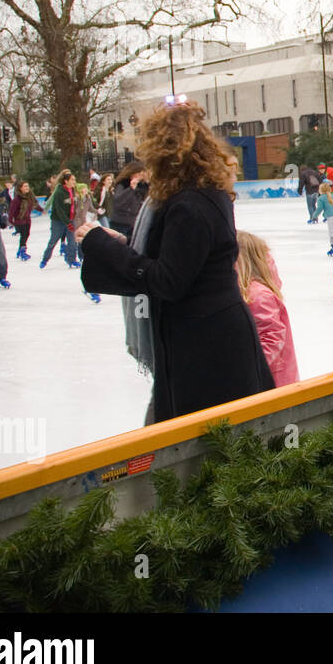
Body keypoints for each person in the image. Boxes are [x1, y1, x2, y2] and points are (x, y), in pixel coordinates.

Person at [77, 102, 274, 424]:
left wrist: (101, 245)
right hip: (210, 340)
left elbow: (168, 280)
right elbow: (180, 260)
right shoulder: (201, 195)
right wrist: (120, 246)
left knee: (204, 448)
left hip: (207, 349)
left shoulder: (191, 204)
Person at [236, 230, 299, 388]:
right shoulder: (250, 292)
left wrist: (248, 368)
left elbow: (272, 337)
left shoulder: (258, 296)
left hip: (273, 382)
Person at [39, 170, 79, 269]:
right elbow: (59, 210)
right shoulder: (59, 192)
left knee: (72, 240)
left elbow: (73, 205)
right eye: (72, 180)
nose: (74, 182)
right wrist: (67, 222)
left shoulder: (72, 190)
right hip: (58, 221)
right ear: (66, 181)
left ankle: (71, 259)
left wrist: (73, 218)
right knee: (53, 241)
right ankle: (45, 259)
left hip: (70, 219)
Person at [111, 162, 149, 241]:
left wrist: (148, 183)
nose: (139, 177)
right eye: (138, 174)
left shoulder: (142, 187)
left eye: (141, 174)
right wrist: (131, 188)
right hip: (121, 223)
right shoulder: (122, 185)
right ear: (132, 173)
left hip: (133, 223)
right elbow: (118, 202)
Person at [9, 180, 35, 261]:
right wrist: (10, 219)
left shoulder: (29, 197)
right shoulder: (17, 199)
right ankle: (22, 252)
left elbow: (35, 204)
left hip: (27, 219)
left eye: (28, 186)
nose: (27, 188)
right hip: (19, 219)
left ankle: (20, 250)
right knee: (24, 235)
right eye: (25, 186)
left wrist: (42, 210)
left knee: (27, 234)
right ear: (20, 188)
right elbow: (12, 210)